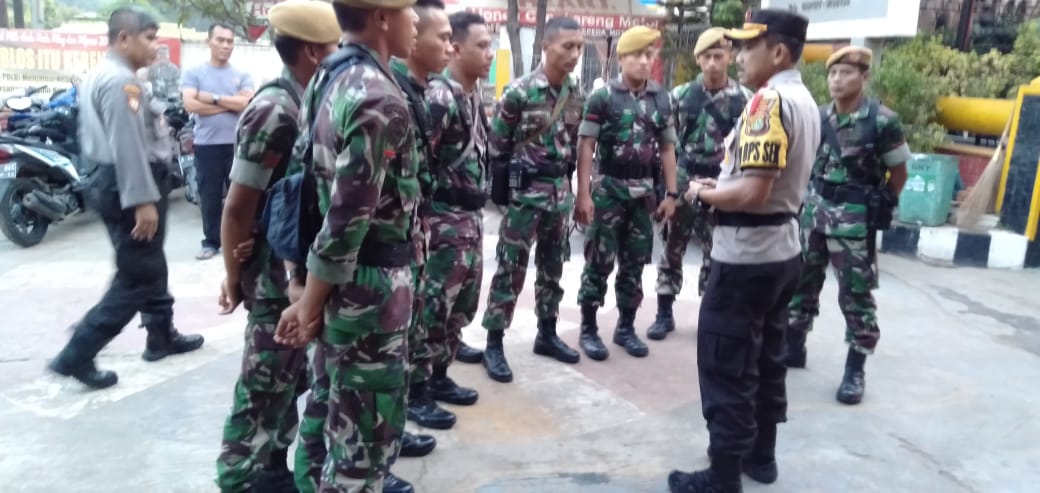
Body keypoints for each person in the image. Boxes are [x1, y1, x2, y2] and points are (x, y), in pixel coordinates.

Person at [668, 10, 818, 493]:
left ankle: (724, 473)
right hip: (782, 251)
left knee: (726, 363)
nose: (737, 57)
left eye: (748, 47)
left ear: (778, 52)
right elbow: (765, 183)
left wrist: (703, 193)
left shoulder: (767, 102)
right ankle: (761, 457)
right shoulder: (804, 99)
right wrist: (724, 185)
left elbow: (753, 192)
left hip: (747, 255)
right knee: (767, 358)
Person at [272, 0, 420, 491]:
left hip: (339, 284)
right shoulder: (378, 96)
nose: (416, 21)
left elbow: (300, 190)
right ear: (382, 17)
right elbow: (346, 218)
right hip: (368, 293)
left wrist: (301, 283)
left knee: (326, 410)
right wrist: (308, 302)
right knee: (364, 444)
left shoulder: (329, 75)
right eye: (409, 11)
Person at [212, 2, 340, 492]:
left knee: (290, 380)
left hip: (295, 275)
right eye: (334, 46)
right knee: (262, 389)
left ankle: (271, 471)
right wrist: (232, 276)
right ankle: (237, 479)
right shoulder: (275, 109)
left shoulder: (311, 99)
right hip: (270, 281)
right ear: (312, 52)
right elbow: (236, 206)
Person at [47, 7, 204, 390]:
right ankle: (78, 351)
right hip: (130, 185)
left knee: (149, 261)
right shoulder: (122, 83)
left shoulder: (104, 73)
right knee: (138, 275)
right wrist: (142, 201)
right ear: (123, 39)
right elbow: (127, 146)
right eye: (148, 38)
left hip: (114, 181)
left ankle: (160, 334)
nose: (155, 46)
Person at [785, 46, 910, 405]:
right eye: (832, 73)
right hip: (814, 215)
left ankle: (855, 370)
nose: (837, 80)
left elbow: (899, 172)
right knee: (800, 283)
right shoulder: (819, 116)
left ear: (864, 77)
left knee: (855, 295)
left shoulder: (881, 121)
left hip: (853, 221)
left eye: (846, 73)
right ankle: (793, 347)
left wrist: (881, 203)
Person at [480, 17, 585, 383]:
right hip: (525, 197)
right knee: (510, 269)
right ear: (546, 46)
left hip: (559, 196)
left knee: (553, 268)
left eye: (579, 47)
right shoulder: (519, 92)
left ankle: (547, 333)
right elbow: (497, 148)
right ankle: (494, 343)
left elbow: (573, 143)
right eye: (567, 46)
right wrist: (507, 194)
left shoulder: (575, 93)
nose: (574, 54)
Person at [573, 26, 679, 361]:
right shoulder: (603, 97)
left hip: (643, 193)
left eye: (649, 54)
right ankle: (589, 329)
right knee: (598, 261)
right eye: (636, 55)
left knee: (635, 263)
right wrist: (583, 194)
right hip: (608, 190)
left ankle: (626, 328)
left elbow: (667, 148)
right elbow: (586, 145)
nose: (644, 61)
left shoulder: (661, 98)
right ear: (621, 58)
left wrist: (672, 194)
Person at [413, 8, 495, 421]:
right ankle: (416, 391)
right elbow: (418, 163)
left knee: (458, 307)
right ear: (457, 49)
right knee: (432, 309)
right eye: (482, 46)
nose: (490, 53)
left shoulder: (471, 95)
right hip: (443, 223)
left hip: (468, 220)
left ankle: (440, 375)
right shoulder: (440, 98)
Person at [646, 27, 751, 342]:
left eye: (719, 56)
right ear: (698, 60)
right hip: (684, 181)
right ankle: (664, 313)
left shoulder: (745, 100)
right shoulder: (681, 96)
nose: (713, 63)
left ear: (730, 57)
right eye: (707, 57)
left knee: (716, 252)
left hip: (722, 184)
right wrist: (668, 189)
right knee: (672, 247)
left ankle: (711, 313)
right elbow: (666, 145)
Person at [387, 0, 459, 433]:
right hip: (386, 242)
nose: (450, 46)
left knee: (413, 324)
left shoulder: (422, 92)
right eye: (443, 37)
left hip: (414, 231)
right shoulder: (391, 92)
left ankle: (407, 407)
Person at [182, 23, 255, 261]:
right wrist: (229, 104)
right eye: (220, 40)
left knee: (240, 197)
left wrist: (210, 98)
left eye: (230, 41)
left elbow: (246, 104)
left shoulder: (242, 75)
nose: (226, 45)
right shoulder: (194, 73)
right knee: (209, 196)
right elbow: (190, 104)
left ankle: (241, 240)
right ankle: (211, 242)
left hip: (236, 145)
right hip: (207, 145)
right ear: (209, 42)